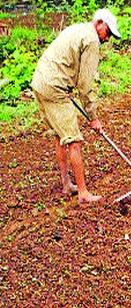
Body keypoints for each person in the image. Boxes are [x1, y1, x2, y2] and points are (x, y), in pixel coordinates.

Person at [31, 9, 121, 203]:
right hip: (54, 87)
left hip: (40, 81)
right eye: (108, 33)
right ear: (99, 23)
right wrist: (93, 117)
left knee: (60, 135)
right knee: (74, 140)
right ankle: (83, 193)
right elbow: (85, 85)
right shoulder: (91, 41)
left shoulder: (79, 28)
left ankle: (66, 185)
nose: (108, 39)